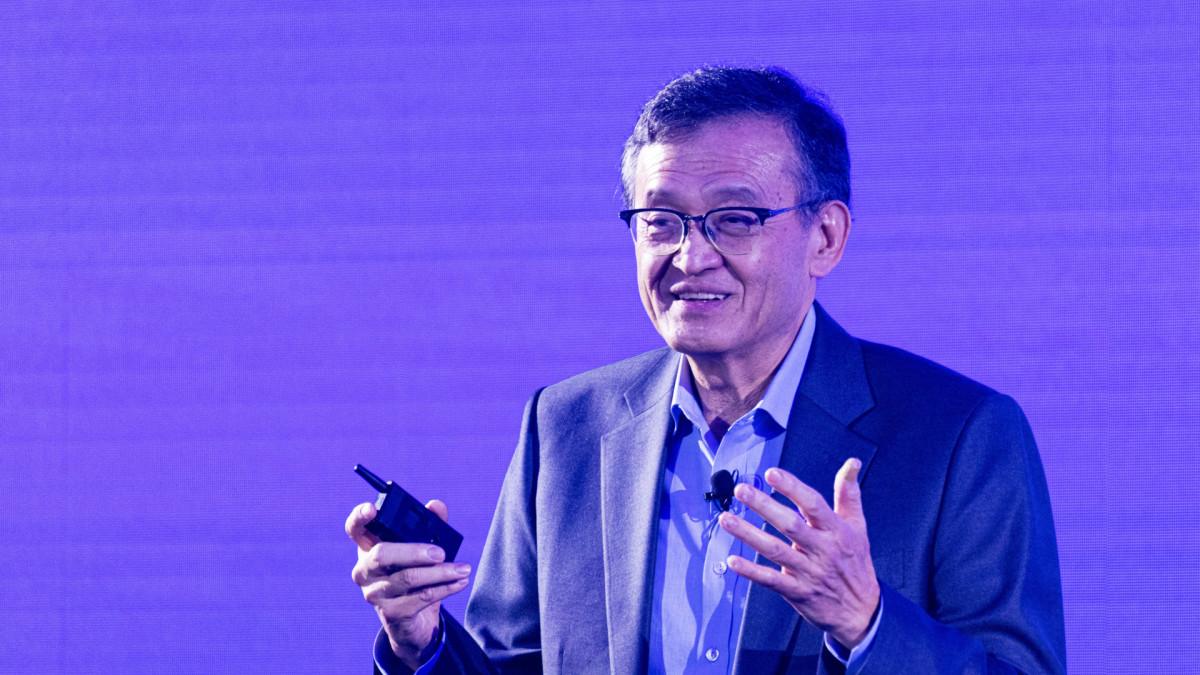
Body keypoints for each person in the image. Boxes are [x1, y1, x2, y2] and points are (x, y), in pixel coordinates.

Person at [346, 66, 1066, 674]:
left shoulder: (959, 434)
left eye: (735, 219)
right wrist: (421, 642)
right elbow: (511, 662)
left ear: (825, 236)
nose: (690, 258)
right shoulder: (566, 426)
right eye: (660, 221)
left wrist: (866, 623)